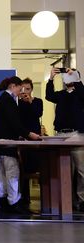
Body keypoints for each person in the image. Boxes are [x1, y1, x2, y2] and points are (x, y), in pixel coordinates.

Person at [0, 76, 40, 215]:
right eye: (20, 88)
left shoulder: (4, 99)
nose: (20, 91)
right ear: (13, 86)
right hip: (7, 142)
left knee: (2, 174)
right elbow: (14, 123)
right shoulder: (8, 100)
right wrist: (29, 134)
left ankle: (3, 201)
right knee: (12, 172)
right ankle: (14, 202)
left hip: (0, 142)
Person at [45, 67, 84, 212]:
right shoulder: (61, 95)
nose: (67, 79)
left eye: (71, 76)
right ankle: (67, 200)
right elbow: (49, 96)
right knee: (65, 170)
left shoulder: (80, 94)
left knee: (81, 170)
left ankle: (82, 200)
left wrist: (75, 77)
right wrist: (51, 79)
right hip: (61, 134)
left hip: (77, 134)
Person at [18, 78, 43, 206]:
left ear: (31, 89)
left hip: (35, 139)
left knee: (37, 168)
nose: (25, 92)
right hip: (22, 140)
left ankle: (44, 199)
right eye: (22, 89)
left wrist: (30, 102)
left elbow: (37, 114)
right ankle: (24, 198)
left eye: (27, 89)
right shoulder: (17, 103)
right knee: (22, 169)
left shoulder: (37, 101)